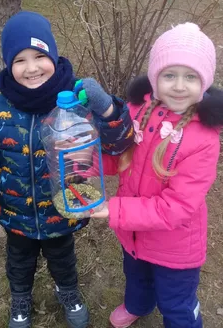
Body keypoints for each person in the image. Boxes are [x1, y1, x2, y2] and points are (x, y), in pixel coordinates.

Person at [0, 11, 134, 328]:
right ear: (7, 64)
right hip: (16, 214)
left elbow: (118, 144)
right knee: (19, 261)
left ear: (53, 55)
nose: (31, 68)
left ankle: (67, 290)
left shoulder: (76, 102)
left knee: (63, 258)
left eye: (40, 55)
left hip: (63, 209)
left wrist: (108, 107)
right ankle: (20, 299)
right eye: (20, 60)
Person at [89, 23, 223, 328]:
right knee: (135, 275)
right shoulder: (139, 112)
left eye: (190, 77)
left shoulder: (204, 138)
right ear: (154, 78)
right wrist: (87, 162)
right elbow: (121, 158)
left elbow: (176, 207)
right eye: (169, 75)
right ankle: (138, 305)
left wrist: (113, 209)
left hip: (176, 245)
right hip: (134, 232)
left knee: (176, 302)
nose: (178, 86)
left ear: (203, 83)